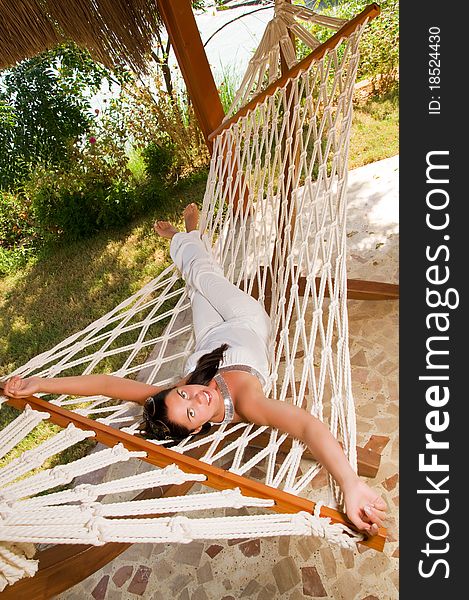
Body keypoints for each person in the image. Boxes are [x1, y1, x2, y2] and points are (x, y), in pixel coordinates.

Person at [3, 204, 387, 536]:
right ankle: (186, 237)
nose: (196, 396)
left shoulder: (186, 387)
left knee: (199, 282)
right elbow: (306, 426)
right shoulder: (249, 402)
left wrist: (39, 383)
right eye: (192, 412)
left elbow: (106, 383)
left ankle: (190, 241)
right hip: (246, 321)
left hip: (209, 338)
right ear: (202, 428)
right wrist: (350, 484)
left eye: (182, 395)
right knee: (203, 277)